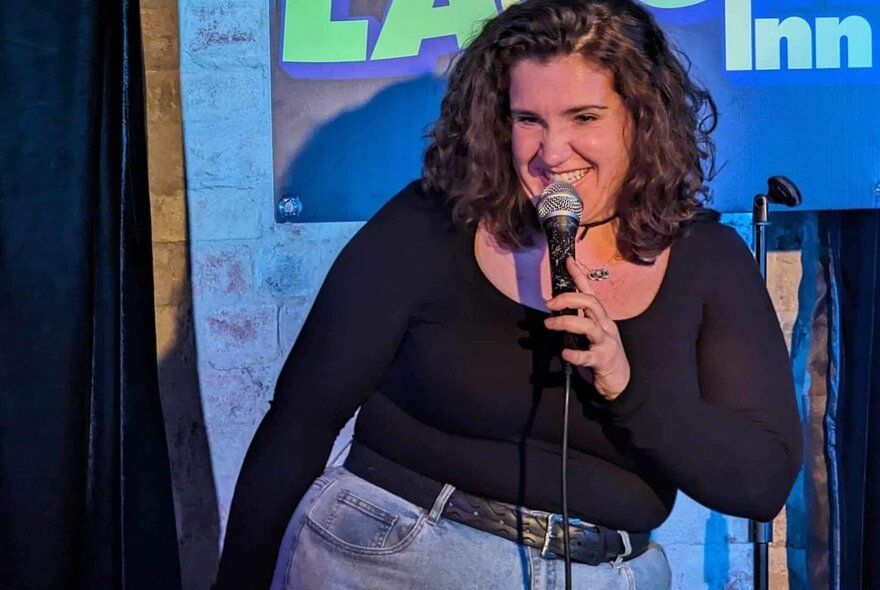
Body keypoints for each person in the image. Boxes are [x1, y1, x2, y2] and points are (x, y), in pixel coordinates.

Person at [214, 0, 803, 588]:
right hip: (404, 557)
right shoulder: (435, 223)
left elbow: (760, 482)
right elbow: (299, 423)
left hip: (614, 573)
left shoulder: (709, 260)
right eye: (529, 120)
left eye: (584, 118)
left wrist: (627, 386)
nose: (551, 153)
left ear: (641, 119)